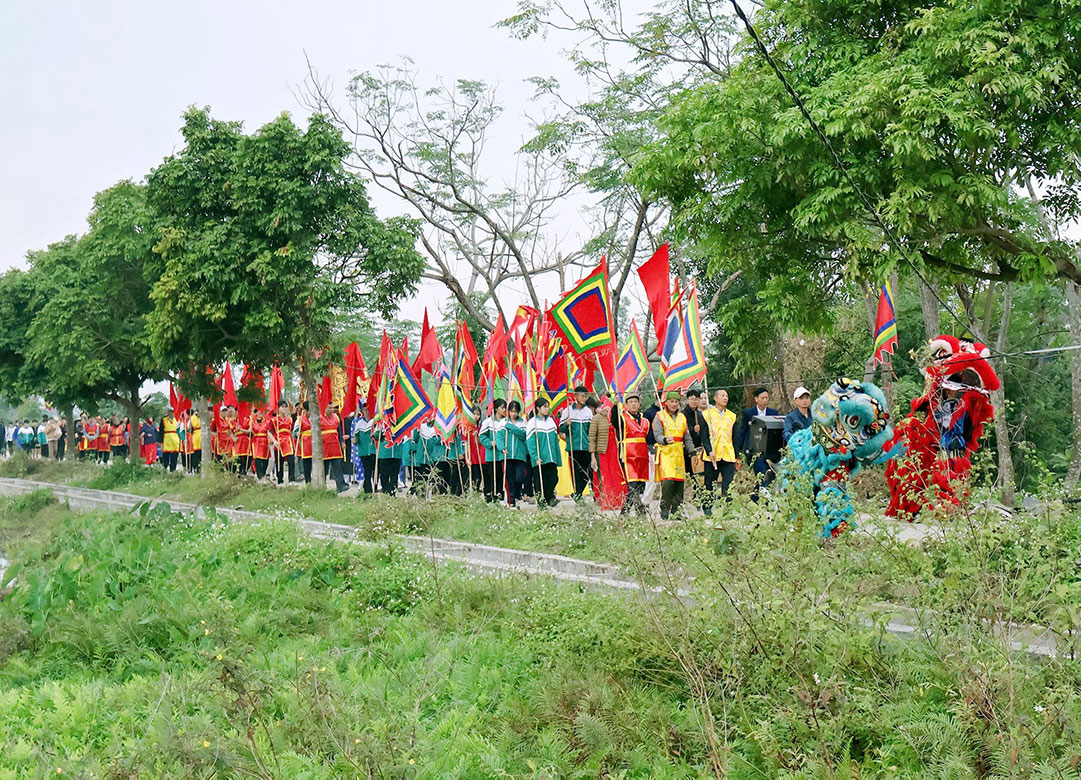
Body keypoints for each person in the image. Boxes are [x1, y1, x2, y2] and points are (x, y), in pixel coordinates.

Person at [652, 391, 698, 520]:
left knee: (679, 483)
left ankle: (676, 510)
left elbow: (687, 437)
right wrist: (665, 439)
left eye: (676, 402)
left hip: (679, 453)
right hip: (666, 452)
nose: (674, 404)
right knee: (668, 482)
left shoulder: (682, 417)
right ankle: (665, 508)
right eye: (671, 401)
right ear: (666, 402)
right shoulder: (659, 416)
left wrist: (692, 452)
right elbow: (657, 435)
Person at [611, 393, 650, 516]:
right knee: (632, 483)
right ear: (626, 405)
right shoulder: (622, 418)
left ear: (639, 404)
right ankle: (625, 511)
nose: (633, 404)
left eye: (635, 402)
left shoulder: (645, 421)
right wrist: (615, 405)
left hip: (642, 456)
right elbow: (614, 421)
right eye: (630, 402)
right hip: (628, 455)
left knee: (639, 484)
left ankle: (639, 508)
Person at [701, 389, 739, 514]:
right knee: (709, 483)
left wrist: (737, 456)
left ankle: (728, 510)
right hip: (712, 455)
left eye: (727, 396)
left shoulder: (732, 416)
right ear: (715, 398)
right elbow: (704, 436)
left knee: (728, 484)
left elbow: (735, 437)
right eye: (722, 395)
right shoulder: (706, 415)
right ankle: (707, 507)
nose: (725, 398)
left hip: (728, 454)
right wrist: (709, 451)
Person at [738, 387, 779, 499]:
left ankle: (755, 496)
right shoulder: (749, 413)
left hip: (769, 450)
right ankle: (765, 501)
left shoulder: (773, 413)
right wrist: (739, 450)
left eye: (767, 397)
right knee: (762, 472)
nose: (765, 400)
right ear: (756, 399)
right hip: (753, 451)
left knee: (768, 474)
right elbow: (743, 431)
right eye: (762, 398)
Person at [526, 398, 562, 508]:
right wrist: (535, 456)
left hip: (551, 457)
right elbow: (530, 442)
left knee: (553, 478)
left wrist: (557, 457)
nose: (547, 409)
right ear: (538, 408)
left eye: (548, 406)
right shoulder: (532, 423)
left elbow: (555, 441)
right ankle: (543, 500)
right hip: (540, 458)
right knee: (539, 480)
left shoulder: (551, 421)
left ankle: (549, 497)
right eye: (545, 406)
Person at [559, 386, 593, 501]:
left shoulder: (588, 411)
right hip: (573, 447)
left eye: (585, 396)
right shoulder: (567, 411)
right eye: (582, 396)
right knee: (576, 472)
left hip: (586, 446)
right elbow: (561, 429)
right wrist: (567, 424)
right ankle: (577, 494)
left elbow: (591, 429)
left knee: (587, 472)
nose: (584, 398)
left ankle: (577, 493)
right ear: (575, 396)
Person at [682, 390, 714, 490]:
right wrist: (692, 429)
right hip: (686, 450)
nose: (694, 402)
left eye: (696, 399)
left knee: (700, 475)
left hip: (699, 450)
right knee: (691, 475)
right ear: (687, 400)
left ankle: (701, 496)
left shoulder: (700, 416)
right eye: (691, 399)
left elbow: (705, 434)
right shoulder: (682, 415)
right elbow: (681, 431)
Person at [479, 399, 508, 503]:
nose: (504, 410)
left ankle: (502, 498)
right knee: (493, 477)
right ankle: (492, 497)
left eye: (505, 407)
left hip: (504, 454)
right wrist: (490, 443)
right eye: (502, 407)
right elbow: (482, 436)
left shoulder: (506, 421)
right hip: (493, 455)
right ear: (496, 409)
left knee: (503, 477)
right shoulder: (488, 422)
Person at [503, 401, 528, 508]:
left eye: (516, 412)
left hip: (519, 454)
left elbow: (523, 435)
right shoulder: (504, 422)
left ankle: (518, 493)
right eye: (512, 411)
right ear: (509, 412)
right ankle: (511, 499)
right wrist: (501, 447)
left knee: (520, 476)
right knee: (510, 478)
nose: (513, 414)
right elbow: (499, 436)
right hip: (508, 455)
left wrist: (511, 427)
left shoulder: (523, 422)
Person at [321, 403, 348, 493]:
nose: (332, 409)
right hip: (324, 446)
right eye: (329, 408)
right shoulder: (320, 417)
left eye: (332, 408)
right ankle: (322, 486)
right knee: (324, 467)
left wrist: (342, 442)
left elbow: (339, 431)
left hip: (335, 446)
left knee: (337, 466)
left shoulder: (336, 417)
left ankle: (341, 485)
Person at [374, 425, 404, 495]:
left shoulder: (400, 422)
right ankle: (386, 491)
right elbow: (376, 436)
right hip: (384, 453)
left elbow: (403, 436)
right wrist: (379, 431)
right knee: (384, 475)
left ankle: (392, 492)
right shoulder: (381, 423)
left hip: (396, 453)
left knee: (394, 475)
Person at [351, 408, 375, 493]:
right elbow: (356, 437)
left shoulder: (374, 421)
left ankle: (374, 486)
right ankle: (367, 489)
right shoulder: (359, 423)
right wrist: (355, 440)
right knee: (367, 471)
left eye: (368, 410)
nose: (367, 412)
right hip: (363, 451)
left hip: (373, 451)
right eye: (365, 410)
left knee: (374, 470)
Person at [272, 401, 294, 484]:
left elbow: (291, 431)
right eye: (282, 407)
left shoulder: (289, 419)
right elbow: (269, 432)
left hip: (288, 441)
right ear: (278, 408)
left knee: (291, 460)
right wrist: (274, 441)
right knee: (279, 462)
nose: (284, 408)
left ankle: (291, 479)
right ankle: (280, 479)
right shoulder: (274, 420)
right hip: (278, 441)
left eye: (285, 407)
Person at [250, 408, 275, 481]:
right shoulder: (252, 422)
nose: (261, 412)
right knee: (257, 459)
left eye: (262, 411)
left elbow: (270, 431)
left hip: (265, 442)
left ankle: (264, 474)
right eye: (259, 410)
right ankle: (259, 476)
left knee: (265, 460)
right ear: (256, 412)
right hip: (256, 442)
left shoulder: (267, 421)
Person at [296, 404, 314, 483]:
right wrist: (297, 434)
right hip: (306, 442)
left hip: (314, 442)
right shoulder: (300, 419)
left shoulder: (316, 418)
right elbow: (295, 431)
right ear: (305, 411)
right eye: (309, 411)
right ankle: (308, 481)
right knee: (307, 462)